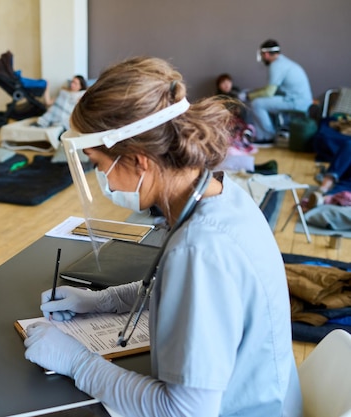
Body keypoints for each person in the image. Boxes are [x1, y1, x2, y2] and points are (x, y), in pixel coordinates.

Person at [23, 57, 302, 416]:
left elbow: (184, 411)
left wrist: (78, 363)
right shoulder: (218, 195)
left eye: (98, 164)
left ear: (140, 159)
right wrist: (100, 301)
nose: (104, 180)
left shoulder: (200, 249)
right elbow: (180, 291)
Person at [246, 39, 313, 147]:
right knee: (260, 101)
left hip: (296, 102)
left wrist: (249, 96)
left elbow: (268, 93)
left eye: (262, 55)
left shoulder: (276, 65)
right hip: (299, 100)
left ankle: (268, 138)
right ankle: (264, 135)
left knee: (257, 103)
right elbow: (271, 89)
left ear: (266, 54)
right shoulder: (284, 62)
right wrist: (255, 92)